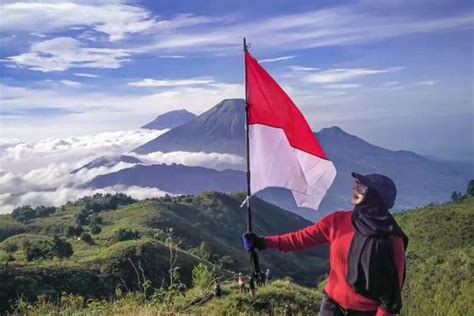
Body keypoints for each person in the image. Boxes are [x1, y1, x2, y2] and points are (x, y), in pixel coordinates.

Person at [243, 172, 408, 316]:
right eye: (356, 186)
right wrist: (263, 242)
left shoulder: (391, 240)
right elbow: (300, 239)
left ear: (375, 198)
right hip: (331, 306)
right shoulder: (338, 221)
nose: (355, 190)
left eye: (361, 188)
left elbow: (390, 298)